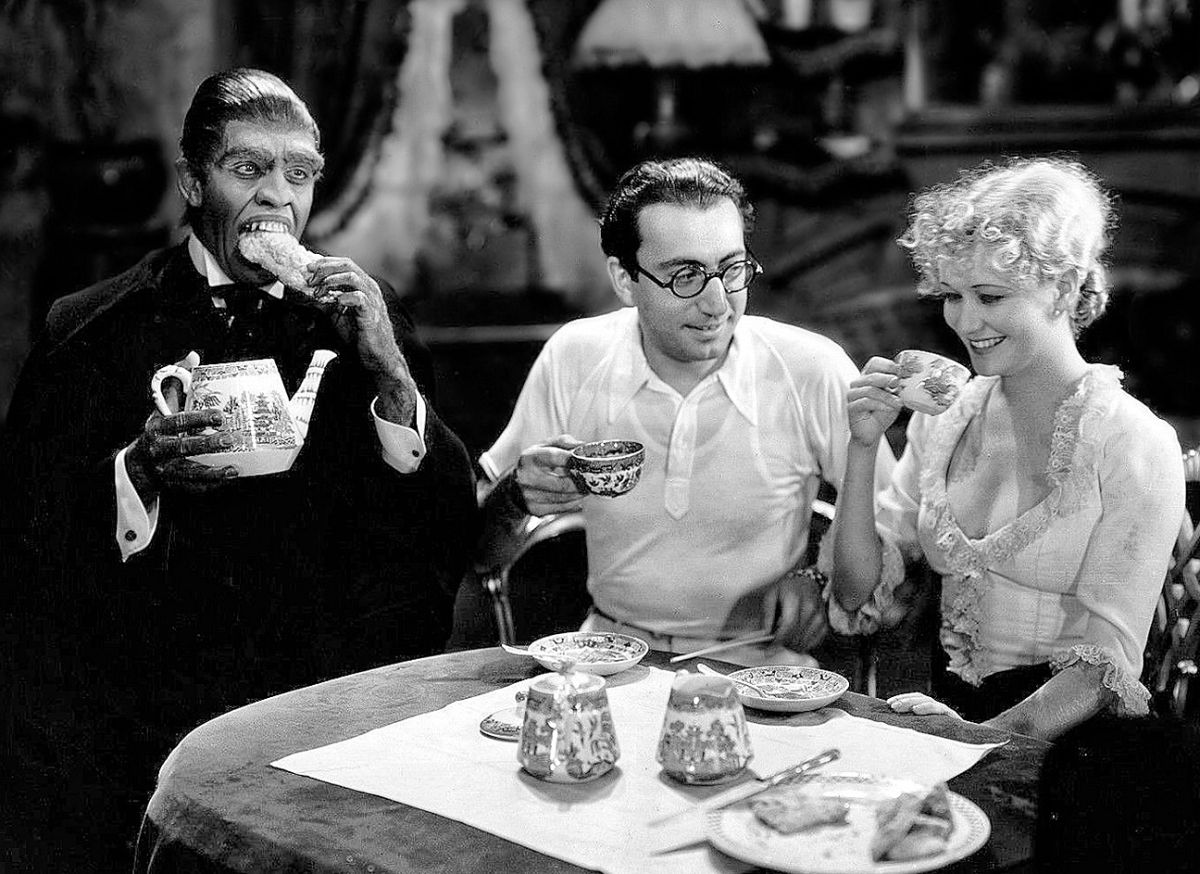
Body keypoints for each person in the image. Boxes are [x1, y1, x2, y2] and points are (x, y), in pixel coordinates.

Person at [0, 68, 476, 870]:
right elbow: (23, 538)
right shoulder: (89, 328)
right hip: (144, 724)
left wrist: (395, 382)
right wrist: (137, 475)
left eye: (300, 174)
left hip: (321, 713)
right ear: (192, 181)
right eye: (248, 169)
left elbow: (441, 525)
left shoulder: (366, 313)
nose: (277, 200)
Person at [472, 157, 895, 666]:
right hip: (612, 656)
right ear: (625, 280)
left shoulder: (810, 367)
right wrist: (516, 497)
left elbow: (894, 536)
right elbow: (478, 553)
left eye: (732, 269)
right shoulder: (575, 357)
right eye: (686, 276)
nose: (718, 303)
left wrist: (816, 577)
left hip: (760, 669)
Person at [828, 157, 1184, 740]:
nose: (965, 321)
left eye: (990, 296)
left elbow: (1104, 670)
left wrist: (973, 741)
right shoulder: (943, 421)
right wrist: (862, 447)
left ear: (1065, 287)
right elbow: (855, 595)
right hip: (942, 720)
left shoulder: (1132, 442)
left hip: (1065, 744)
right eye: (951, 295)